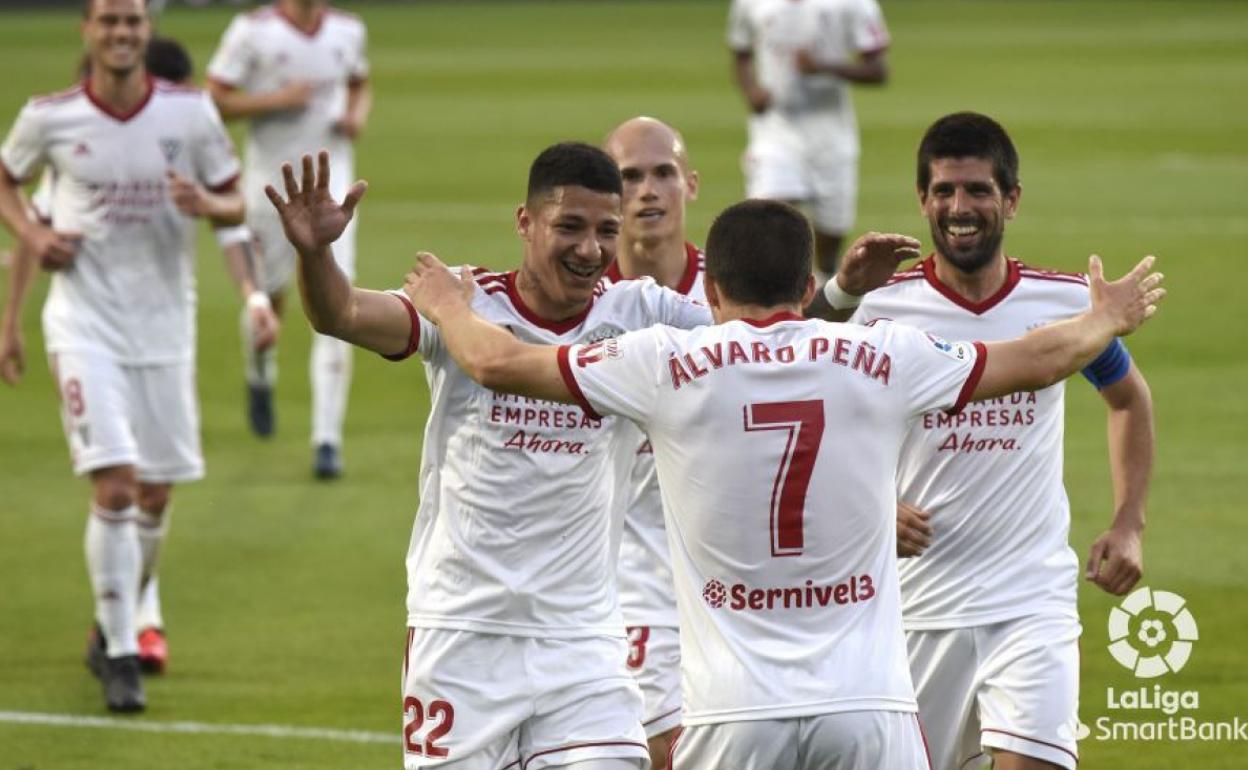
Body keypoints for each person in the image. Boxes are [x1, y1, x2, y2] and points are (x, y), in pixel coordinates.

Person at [399, 198, 1163, 770]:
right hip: (869, 706)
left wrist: (446, 308)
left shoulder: (663, 361)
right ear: (807, 285)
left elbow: (497, 365)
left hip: (733, 713)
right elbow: (1032, 360)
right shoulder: (887, 354)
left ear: (713, 293)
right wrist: (1105, 320)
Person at [266, 143, 727, 770]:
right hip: (462, 636)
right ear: (525, 222)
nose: (590, 250)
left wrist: (833, 299)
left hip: (582, 640)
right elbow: (342, 313)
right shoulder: (465, 300)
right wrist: (315, 252)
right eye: (570, 227)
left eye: (605, 232)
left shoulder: (642, 313)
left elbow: (758, 341)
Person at [822, 112, 1155, 770]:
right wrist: (866, 510)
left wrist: (1128, 522)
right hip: (913, 608)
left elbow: (1128, 398)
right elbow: (809, 420)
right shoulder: (880, 311)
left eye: (977, 190)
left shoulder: (1064, 305)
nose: (959, 207)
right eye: (943, 191)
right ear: (922, 201)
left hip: (1029, 600)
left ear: (1011, 199)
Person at [0, 0, 268, 712]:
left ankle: (114, 615)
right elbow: (7, 177)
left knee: (154, 495)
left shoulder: (190, 114)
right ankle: (121, 650)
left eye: (133, 22)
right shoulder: (49, 116)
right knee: (115, 486)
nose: (121, 33)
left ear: (148, 32)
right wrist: (32, 234)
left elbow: (235, 201)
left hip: (165, 329)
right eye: (108, 21)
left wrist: (204, 206)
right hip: (85, 325)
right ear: (87, 31)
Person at [206, 0, 370, 478]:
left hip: (333, 193)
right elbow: (213, 98)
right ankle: (260, 373)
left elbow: (359, 83)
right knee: (268, 301)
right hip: (270, 192)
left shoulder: (347, 29)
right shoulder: (251, 31)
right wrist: (277, 100)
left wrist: (356, 114)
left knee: (342, 302)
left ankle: (327, 440)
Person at [601, 116, 704, 768]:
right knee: (662, 752)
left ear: (689, 185)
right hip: (632, 583)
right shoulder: (584, 298)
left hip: (736, 580)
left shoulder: (733, 292)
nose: (647, 190)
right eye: (629, 176)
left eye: (662, 172)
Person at [727, 0, 890, 284]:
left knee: (830, 238)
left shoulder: (853, 4)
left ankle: (824, 295)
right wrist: (751, 91)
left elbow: (878, 70)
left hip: (832, 137)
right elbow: (741, 50)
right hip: (775, 132)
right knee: (768, 223)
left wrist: (824, 67)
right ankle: (772, 302)